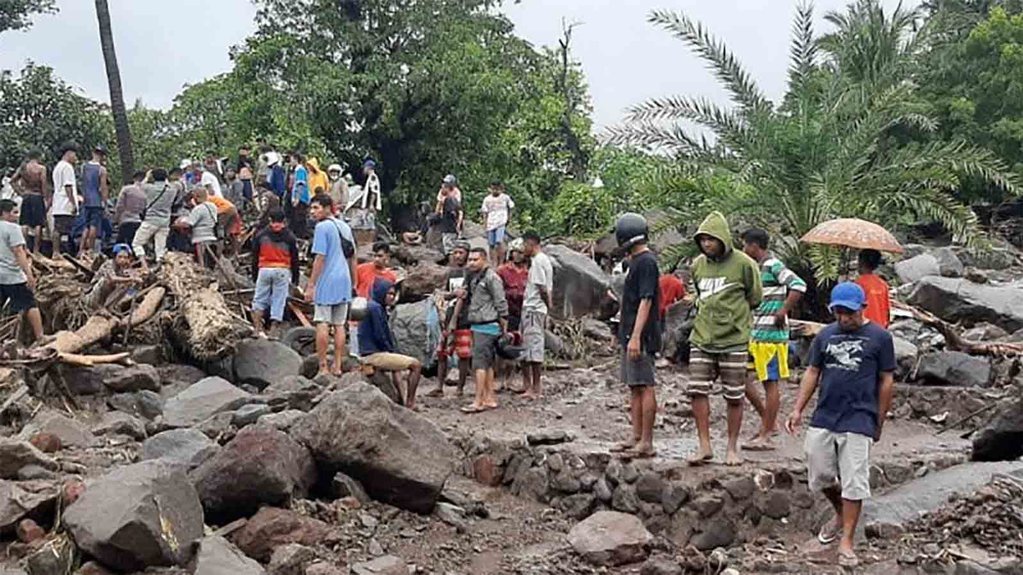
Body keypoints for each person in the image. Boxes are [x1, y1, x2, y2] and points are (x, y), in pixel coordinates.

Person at [785, 282, 896, 569]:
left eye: (849, 313)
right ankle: (839, 512)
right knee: (819, 470)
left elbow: (886, 380)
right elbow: (813, 371)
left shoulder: (880, 337)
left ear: (862, 308)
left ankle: (846, 540)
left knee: (854, 480)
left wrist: (879, 419)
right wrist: (797, 408)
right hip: (826, 414)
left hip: (859, 416)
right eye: (838, 313)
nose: (844, 318)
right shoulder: (826, 335)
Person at [688, 211, 763, 466]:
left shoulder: (744, 264)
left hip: (733, 339)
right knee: (697, 391)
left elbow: (755, 298)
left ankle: (731, 447)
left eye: (711, 239)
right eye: (703, 239)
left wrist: (733, 317)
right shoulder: (697, 265)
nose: (707, 244)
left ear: (723, 239)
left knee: (734, 395)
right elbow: (698, 294)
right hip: (701, 338)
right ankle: (704, 445)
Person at [741, 227, 807, 450]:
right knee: (742, 378)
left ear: (754, 246)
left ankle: (766, 433)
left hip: (772, 336)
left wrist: (783, 310)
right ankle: (768, 423)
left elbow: (798, 285)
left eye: (745, 245)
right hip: (757, 333)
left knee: (770, 382)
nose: (743, 249)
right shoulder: (757, 269)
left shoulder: (773, 265)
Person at [609, 213, 661, 459]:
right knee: (634, 385)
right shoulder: (636, 261)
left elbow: (646, 300)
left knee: (646, 385)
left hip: (641, 333)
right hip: (629, 330)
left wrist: (637, 336)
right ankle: (636, 435)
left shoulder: (647, 262)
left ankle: (647, 440)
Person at [305, 194, 357, 376]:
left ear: (328, 208)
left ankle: (323, 366)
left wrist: (311, 284)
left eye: (316, 208)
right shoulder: (345, 227)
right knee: (340, 324)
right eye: (312, 208)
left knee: (322, 323)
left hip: (327, 280)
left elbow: (320, 257)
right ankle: (338, 366)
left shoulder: (322, 227)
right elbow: (353, 257)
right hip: (344, 280)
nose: (313, 212)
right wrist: (354, 281)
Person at [359, 278, 423, 409]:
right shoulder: (375, 308)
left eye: (393, 294)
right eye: (389, 294)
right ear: (381, 292)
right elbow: (380, 335)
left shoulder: (375, 306)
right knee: (416, 365)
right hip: (373, 354)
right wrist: (389, 349)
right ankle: (410, 402)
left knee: (397, 369)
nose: (392, 297)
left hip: (370, 352)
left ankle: (402, 401)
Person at [462, 247, 508, 413]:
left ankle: (478, 401)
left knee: (479, 364)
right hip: (477, 324)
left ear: (484, 260)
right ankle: (489, 397)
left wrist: (504, 327)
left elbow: (501, 302)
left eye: (475, 260)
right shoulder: (474, 277)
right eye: (470, 260)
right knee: (487, 363)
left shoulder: (491, 278)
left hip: (487, 325)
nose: (471, 263)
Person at [429, 241, 473, 398]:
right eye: (455, 253)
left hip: (465, 318)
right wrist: (451, 295)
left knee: (463, 354)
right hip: (449, 315)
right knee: (442, 352)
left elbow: (466, 295)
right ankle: (439, 386)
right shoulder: (452, 273)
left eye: (461, 253)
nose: (458, 256)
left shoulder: (471, 273)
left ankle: (460, 388)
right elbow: (447, 294)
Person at [251, 209, 299, 338]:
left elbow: (254, 257)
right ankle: (273, 331)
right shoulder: (289, 237)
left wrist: (254, 275)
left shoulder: (261, 235)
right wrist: (295, 278)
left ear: (270, 220)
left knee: (259, 299)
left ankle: (257, 329)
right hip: (282, 270)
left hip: (264, 269)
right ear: (284, 221)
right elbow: (295, 259)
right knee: (279, 300)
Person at [0, 200, 44, 342]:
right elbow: (19, 252)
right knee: (30, 304)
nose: (17, 216)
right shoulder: (12, 228)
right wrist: (29, 274)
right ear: (5, 213)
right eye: (14, 212)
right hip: (12, 275)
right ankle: (40, 337)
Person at [520, 231, 554, 400]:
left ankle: (535, 387)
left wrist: (548, 307)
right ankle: (530, 386)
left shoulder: (539, 261)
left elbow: (542, 288)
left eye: (524, 245)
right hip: (534, 308)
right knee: (529, 346)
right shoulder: (540, 261)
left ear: (531, 244)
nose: (522, 249)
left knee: (533, 348)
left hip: (534, 308)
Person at [133, 168, 176, 269]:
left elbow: (138, 186)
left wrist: (147, 176)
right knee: (160, 248)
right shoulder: (172, 190)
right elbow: (169, 184)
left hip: (150, 220)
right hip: (165, 221)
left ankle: (144, 265)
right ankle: (160, 266)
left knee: (137, 243)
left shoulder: (149, 188)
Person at [11, 150, 47, 255]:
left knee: (25, 223)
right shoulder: (41, 168)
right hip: (37, 196)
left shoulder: (23, 167)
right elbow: (43, 184)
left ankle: (25, 249)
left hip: (26, 196)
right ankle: (36, 250)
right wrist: (45, 198)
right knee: (38, 224)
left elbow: (12, 180)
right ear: (38, 156)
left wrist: (20, 193)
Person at [85, 243, 141, 308]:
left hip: (105, 299)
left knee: (126, 284)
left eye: (125, 258)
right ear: (114, 257)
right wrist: (132, 278)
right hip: (92, 297)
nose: (122, 260)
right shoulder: (109, 263)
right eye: (120, 257)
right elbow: (113, 279)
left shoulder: (121, 269)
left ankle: (110, 306)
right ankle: (100, 306)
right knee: (107, 280)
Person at [79, 146, 109, 255]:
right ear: (102, 156)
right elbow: (103, 188)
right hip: (96, 200)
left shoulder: (84, 167)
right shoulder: (102, 169)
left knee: (86, 226)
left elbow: (83, 184)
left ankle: (81, 249)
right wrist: (104, 203)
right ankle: (91, 249)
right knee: (94, 226)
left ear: (93, 153)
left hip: (86, 200)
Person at [51, 144, 79, 257]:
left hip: (58, 203)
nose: (75, 157)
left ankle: (58, 251)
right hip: (65, 204)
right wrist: (73, 203)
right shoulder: (67, 167)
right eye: (74, 154)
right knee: (62, 230)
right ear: (68, 153)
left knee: (58, 228)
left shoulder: (58, 167)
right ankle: (58, 252)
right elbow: (68, 186)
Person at [497, 239, 529, 333]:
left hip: (523, 311)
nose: (518, 255)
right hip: (507, 311)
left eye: (521, 253)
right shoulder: (502, 270)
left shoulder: (528, 272)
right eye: (516, 252)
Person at [481, 181, 515, 267]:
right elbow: (485, 212)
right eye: (493, 189)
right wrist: (485, 224)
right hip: (491, 222)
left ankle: (501, 262)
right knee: (491, 244)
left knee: (499, 242)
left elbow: (511, 207)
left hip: (501, 222)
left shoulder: (505, 198)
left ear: (501, 189)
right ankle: (493, 262)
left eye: (497, 189)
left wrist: (509, 218)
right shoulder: (487, 199)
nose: (495, 191)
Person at [183, 188, 219, 267]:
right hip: (211, 236)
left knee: (201, 263)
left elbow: (188, 224)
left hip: (200, 239)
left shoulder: (198, 209)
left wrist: (176, 224)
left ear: (196, 197)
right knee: (210, 263)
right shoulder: (212, 206)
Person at [856, 249, 890, 329]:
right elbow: (887, 311)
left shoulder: (858, 284)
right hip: (880, 328)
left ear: (861, 262)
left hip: (864, 328)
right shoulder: (883, 284)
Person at [114, 171, 147, 245]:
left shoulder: (126, 189)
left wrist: (116, 219)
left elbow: (119, 206)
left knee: (120, 244)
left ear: (134, 178)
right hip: (139, 222)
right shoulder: (146, 192)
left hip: (126, 220)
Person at [289, 153, 310, 238]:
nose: (290, 162)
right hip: (299, 198)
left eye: (291, 160)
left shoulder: (300, 170)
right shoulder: (297, 170)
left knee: (299, 219)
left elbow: (300, 184)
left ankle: (300, 237)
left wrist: (297, 198)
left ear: (296, 160)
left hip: (301, 198)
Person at [439, 184, 462, 255]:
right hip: (450, 227)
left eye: (443, 188)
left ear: (447, 188)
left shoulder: (449, 200)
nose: (441, 190)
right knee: (449, 244)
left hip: (449, 227)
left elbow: (453, 213)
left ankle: (451, 262)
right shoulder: (454, 200)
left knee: (449, 247)